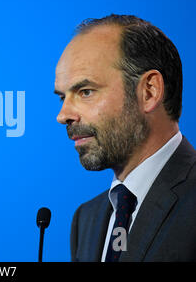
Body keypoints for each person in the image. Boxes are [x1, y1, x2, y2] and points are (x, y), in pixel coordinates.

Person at [54, 14, 196, 262]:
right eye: (61, 97)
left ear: (149, 92)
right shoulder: (86, 220)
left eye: (85, 92)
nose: (63, 115)